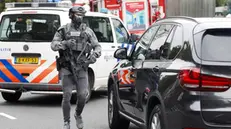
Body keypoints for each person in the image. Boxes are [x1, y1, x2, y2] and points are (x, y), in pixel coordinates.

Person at [50, 6, 101, 129]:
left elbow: (98, 46)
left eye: (81, 15)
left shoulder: (87, 31)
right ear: (71, 15)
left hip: (82, 67)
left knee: (83, 95)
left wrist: (94, 55)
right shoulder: (63, 30)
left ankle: (78, 114)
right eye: (77, 14)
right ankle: (66, 122)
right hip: (67, 67)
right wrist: (64, 44)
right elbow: (53, 45)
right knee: (66, 95)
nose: (80, 17)